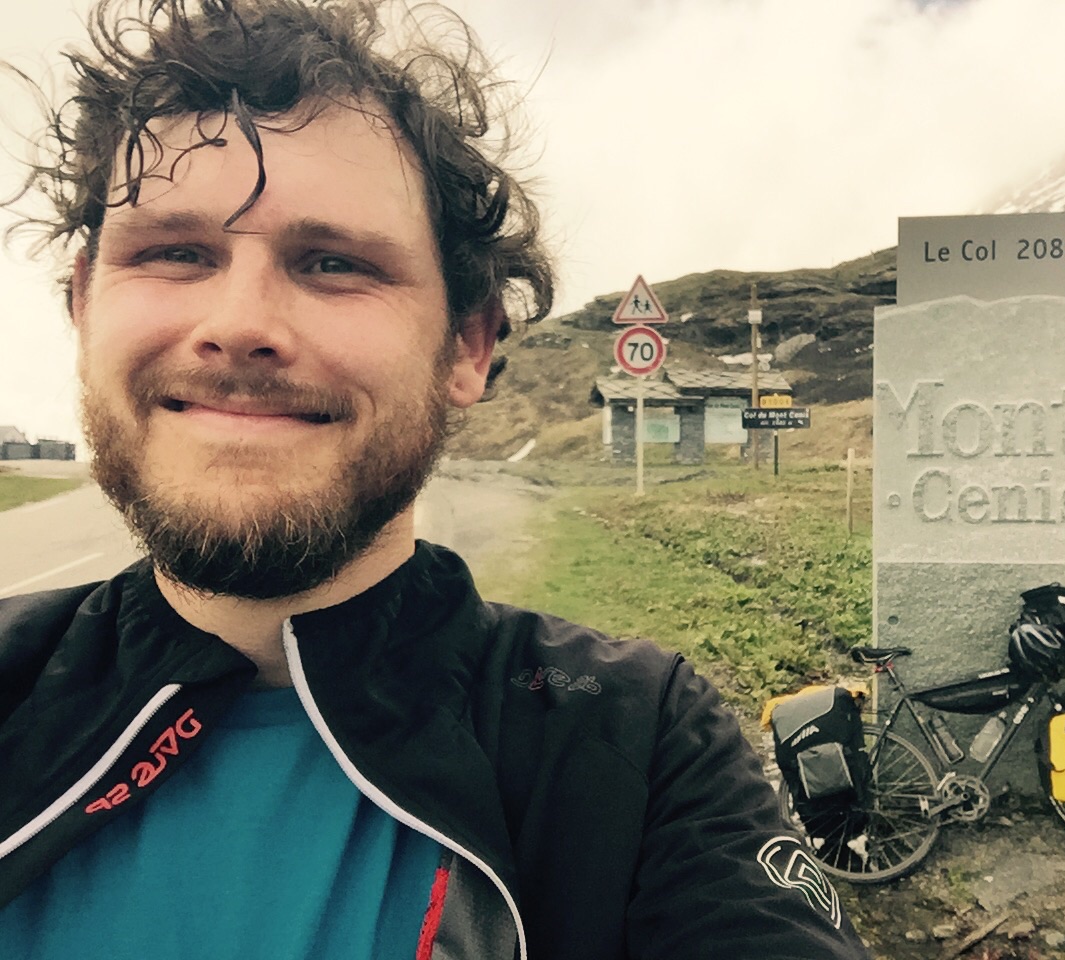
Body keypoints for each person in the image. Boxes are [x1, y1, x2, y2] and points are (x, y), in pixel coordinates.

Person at [0, 2, 870, 958]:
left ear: (468, 343)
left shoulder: (633, 745)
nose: (239, 321)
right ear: (84, 307)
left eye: (333, 263)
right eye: (174, 253)